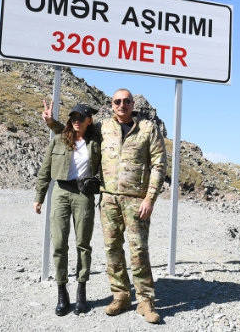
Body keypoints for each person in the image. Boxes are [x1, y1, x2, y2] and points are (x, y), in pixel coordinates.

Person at [43, 89, 167, 324]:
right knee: (112, 248)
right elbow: (74, 133)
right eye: (117, 101)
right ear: (112, 105)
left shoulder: (148, 129)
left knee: (138, 250)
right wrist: (52, 123)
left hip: (136, 199)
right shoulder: (102, 128)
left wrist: (150, 199)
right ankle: (120, 295)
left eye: (126, 101)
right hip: (108, 198)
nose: (122, 105)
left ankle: (145, 301)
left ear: (133, 104)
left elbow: (160, 164)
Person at [34, 103, 101, 316]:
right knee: (59, 244)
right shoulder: (59, 139)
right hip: (61, 192)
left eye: (81, 117)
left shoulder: (97, 141)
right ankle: (62, 293)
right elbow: (45, 170)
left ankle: (82, 292)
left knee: (83, 243)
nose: (77, 120)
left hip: (84, 194)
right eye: (73, 116)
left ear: (89, 120)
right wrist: (39, 197)